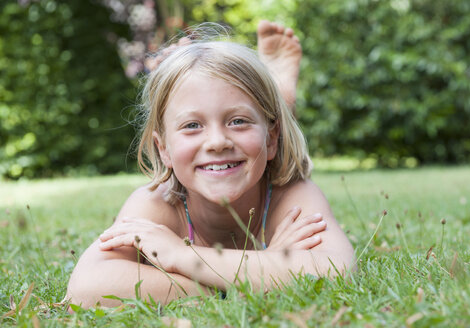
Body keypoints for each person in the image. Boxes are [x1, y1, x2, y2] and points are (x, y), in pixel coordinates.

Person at [66, 20, 354, 308]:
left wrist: (182, 256)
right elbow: (87, 286)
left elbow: (337, 270)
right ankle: (276, 97)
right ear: (163, 148)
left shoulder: (289, 195)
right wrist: (256, 275)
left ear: (271, 139)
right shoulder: (158, 203)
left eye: (238, 121)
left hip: (271, 157)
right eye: (192, 125)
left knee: (278, 149)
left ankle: (280, 100)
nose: (217, 142)